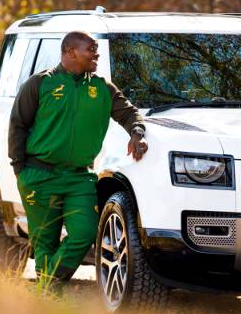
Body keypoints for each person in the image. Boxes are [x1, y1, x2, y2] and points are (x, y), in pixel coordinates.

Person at [9, 31, 148, 291]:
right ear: (71, 51)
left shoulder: (102, 88)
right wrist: (20, 171)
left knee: (84, 233)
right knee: (44, 242)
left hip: (79, 178)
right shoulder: (40, 84)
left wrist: (137, 133)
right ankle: (49, 299)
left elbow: (130, 114)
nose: (96, 54)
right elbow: (18, 125)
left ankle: (47, 283)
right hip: (39, 176)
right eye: (91, 49)